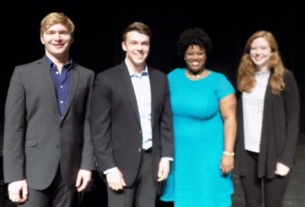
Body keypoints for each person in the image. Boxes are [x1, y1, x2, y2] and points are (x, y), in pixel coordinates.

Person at [3, 12, 95, 207]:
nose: (58, 37)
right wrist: (13, 177)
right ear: (42, 38)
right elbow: (14, 128)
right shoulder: (23, 73)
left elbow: (89, 124)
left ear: (71, 37)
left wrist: (87, 166)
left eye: (63, 32)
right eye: (51, 32)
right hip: (33, 172)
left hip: (71, 173)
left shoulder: (87, 76)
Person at [90, 22, 174, 207]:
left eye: (144, 43)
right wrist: (109, 168)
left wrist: (166, 158)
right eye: (134, 43)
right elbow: (99, 130)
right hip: (119, 165)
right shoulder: (106, 79)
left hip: (151, 163)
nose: (139, 48)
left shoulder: (161, 79)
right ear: (124, 45)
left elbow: (165, 123)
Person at [160, 28, 237, 207]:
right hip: (179, 155)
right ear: (184, 56)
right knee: (182, 199)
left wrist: (228, 153)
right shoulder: (172, 77)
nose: (195, 57)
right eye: (191, 53)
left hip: (208, 156)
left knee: (207, 200)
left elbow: (230, 119)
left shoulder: (219, 81)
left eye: (200, 53)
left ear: (206, 55)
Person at [235, 31, 299, 207]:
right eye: (253, 48)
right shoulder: (245, 78)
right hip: (247, 153)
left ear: (272, 51)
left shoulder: (285, 77)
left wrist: (286, 159)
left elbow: (293, 121)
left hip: (275, 154)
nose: (258, 52)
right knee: (252, 203)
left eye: (263, 48)